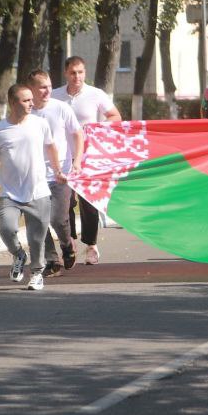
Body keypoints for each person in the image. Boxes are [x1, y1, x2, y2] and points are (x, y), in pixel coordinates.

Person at [0, 84, 64, 291]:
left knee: (37, 239)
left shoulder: (40, 124)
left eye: (31, 100)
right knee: (6, 228)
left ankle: (36, 274)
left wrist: (58, 170)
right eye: (26, 100)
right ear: (12, 103)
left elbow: (51, 146)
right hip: (10, 194)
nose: (31, 104)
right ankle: (18, 254)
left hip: (38, 192)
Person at [52, 55, 121, 266]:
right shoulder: (55, 96)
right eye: (73, 72)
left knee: (88, 202)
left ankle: (91, 245)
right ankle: (70, 240)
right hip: (63, 156)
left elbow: (115, 117)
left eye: (80, 72)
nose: (77, 76)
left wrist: (94, 129)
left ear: (85, 73)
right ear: (66, 73)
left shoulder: (95, 94)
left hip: (89, 156)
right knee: (66, 203)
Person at [27, 70, 83, 276]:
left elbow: (78, 134)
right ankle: (52, 259)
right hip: (34, 176)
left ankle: (67, 245)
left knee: (58, 219)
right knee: (38, 219)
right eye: (42, 87)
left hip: (61, 174)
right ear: (31, 89)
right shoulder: (26, 112)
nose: (47, 90)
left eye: (49, 86)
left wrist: (76, 161)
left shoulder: (61, 108)